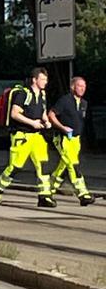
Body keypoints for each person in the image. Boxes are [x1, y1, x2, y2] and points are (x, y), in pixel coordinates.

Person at [0, 67, 55, 207]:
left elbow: (41, 111)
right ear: (34, 80)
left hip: (37, 136)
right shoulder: (23, 94)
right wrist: (32, 123)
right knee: (16, 167)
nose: (45, 82)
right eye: (42, 79)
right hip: (22, 136)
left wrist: (46, 122)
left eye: (46, 79)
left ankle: (44, 196)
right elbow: (15, 113)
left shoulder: (42, 95)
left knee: (43, 166)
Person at [48, 77, 95, 206]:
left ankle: (48, 191)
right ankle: (82, 193)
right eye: (79, 86)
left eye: (84, 86)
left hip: (75, 140)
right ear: (73, 87)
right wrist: (62, 127)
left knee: (63, 167)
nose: (82, 88)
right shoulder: (65, 100)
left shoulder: (84, 103)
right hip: (63, 138)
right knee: (72, 165)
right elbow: (51, 114)